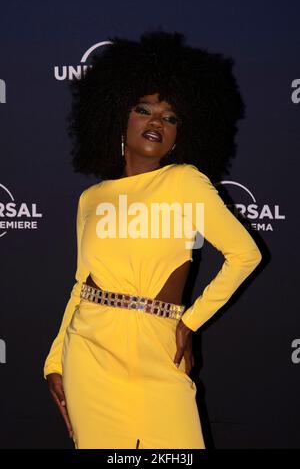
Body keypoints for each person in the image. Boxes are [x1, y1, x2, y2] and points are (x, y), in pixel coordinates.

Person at [43, 30, 262, 449]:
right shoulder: (92, 198)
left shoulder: (184, 182)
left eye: (171, 117)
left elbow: (244, 255)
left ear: (181, 133)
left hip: (159, 347)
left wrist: (191, 321)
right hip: (88, 347)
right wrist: (54, 361)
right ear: (117, 118)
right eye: (145, 110)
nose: (157, 121)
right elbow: (80, 284)